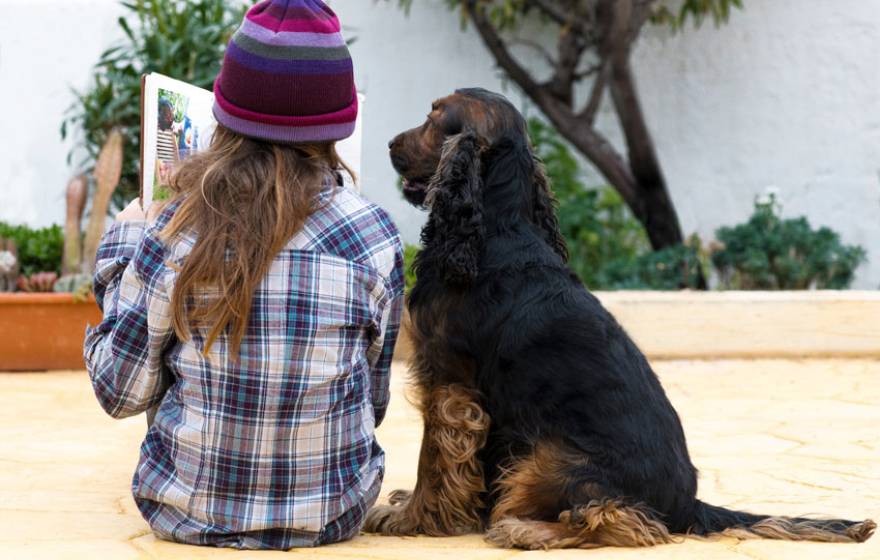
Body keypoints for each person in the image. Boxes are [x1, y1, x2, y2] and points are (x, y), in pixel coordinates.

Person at [84, 0, 403, 550]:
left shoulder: (177, 228)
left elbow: (119, 390)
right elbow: (372, 402)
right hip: (332, 515)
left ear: (224, 117)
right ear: (340, 123)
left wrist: (126, 242)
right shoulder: (374, 233)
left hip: (184, 512)